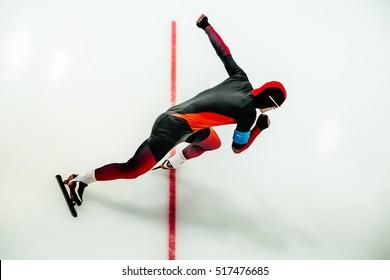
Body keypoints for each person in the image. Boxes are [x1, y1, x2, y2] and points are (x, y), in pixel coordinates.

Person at [65, 14, 287, 206]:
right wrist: (259, 128)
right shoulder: (248, 114)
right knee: (132, 169)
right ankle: (81, 179)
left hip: (185, 123)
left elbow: (224, 52)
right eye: (275, 108)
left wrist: (206, 26)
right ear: (271, 104)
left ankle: (174, 161)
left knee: (213, 143)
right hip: (171, 128)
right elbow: (238, 148)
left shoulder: (242, 79)